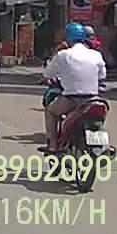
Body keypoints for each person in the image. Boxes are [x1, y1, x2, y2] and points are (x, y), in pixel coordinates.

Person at [41, 23, 107, 153]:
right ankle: (102, 147)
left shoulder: (63, 55)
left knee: (50, 111)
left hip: (71, 100)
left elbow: (48, 73)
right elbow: (102, 75)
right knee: (97, 119)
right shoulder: (96, 54)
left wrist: (47, 77)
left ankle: (52, 144)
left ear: (68, 39)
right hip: (93, 100)